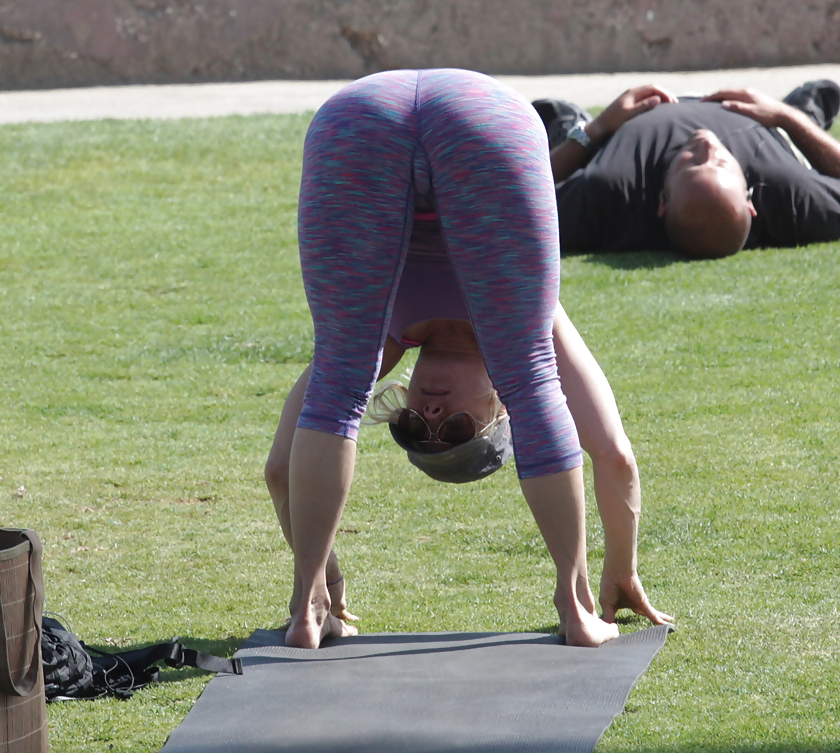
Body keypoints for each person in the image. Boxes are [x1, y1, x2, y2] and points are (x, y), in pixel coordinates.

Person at [264, 67, 670, 651]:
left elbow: (281, 468)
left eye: (413, 427)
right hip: (482, 116)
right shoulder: (532, 333)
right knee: (537, 384)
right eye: (454, 428)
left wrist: (325, 577)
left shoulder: (380, 345)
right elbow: (615, 457)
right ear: (496, 411)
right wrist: (621, 570)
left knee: (337, 385)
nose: (429, 412)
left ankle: (307, 610)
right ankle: (576, 604)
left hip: (355, 119)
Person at [541, 80, 840, 258]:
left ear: (662, 200)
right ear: (750, 200)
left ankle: (570, 122)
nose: (707, 147)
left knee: (554, 118)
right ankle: (803, 111)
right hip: (769, 124)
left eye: (691, 165)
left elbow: (517, 196)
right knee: (815, 101)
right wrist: (786, 117)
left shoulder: (609, 191)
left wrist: (595, 129)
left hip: (613, 130)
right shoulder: (789, 193)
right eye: (721, 163)